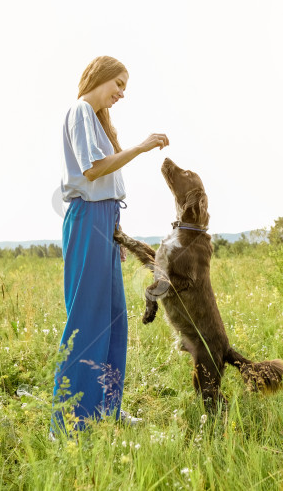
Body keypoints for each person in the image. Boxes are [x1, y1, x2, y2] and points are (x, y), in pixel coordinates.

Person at [50, 55, 169, 437]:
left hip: (104, 222)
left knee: (114, 320)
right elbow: (93, 170)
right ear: (100, 78)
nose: (121, 93)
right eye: (119, 84)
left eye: (124, 87)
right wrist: (141, 147)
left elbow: (105, 182)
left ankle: (106, 411)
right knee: (87, 320)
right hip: (88, 220)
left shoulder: (97, 120)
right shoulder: (81, 110)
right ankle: (68, 422)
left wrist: (116, 232)